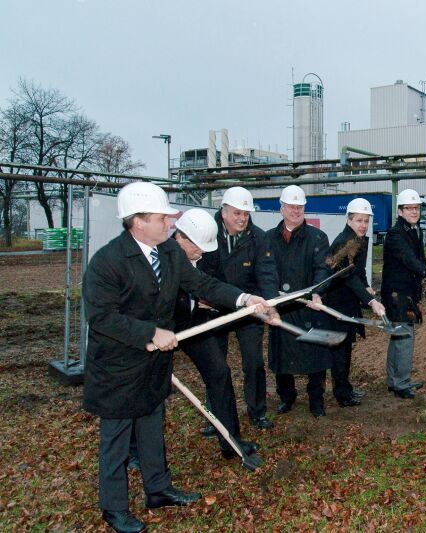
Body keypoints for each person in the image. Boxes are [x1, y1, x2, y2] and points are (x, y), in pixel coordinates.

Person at [83, 182, 275, 533]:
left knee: (152, 427)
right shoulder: (108, 262)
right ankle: (114, 510)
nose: (170, 225)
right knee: (117, 440)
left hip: (155, 364)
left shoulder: (169, 254)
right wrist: (150, 333)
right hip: (119, 367)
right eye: (162, 219)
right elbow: (101, 317)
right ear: (138, 222)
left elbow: (203, 285)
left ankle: (158, 489)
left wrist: (245, 298)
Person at [172, 209, 261, 459]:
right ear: (180, 237)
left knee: (219, 373)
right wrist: (189, 301)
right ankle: (135, 451)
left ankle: (231, 442)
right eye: (198, 247)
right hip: (163, 329)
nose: (202, 252)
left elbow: (209, 284)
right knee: (152, 388)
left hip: (194, 325)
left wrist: (243, 299)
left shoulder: (201, 253)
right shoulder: (165, 255)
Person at [200, 186, 279, 431]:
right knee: (215, 364)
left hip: (249, 308)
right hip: (215, 306)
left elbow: (266, 273)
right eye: (236, 213)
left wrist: (271, 304)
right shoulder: (208, 233)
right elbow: (201, 272)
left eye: (245, 213)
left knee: (253, 362)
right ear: (223, 211)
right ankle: (216, 416)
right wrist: (203, 298)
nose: (242, 218)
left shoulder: (258, 237)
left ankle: (257, 411)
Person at [265, 185, 333, 417]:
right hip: (281, 309)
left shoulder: (317, 237)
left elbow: (322, 268)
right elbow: (265, 272)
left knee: (315, 357)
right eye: (292, 206)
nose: (296, 211)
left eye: (300, 207)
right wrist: (270, 298)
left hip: (309, 308)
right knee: (283, 357)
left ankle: (317, 400)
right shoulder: (268, 239)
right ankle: (287, 396)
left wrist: (317, 292)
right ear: (282, 208)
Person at [325, 198, 386, 407]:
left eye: (366, 221)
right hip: (338, 303)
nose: (363, 225)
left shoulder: (359, 240)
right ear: (349, 220)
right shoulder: (344, 242)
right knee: (340, 349)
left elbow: (358, 272)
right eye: (359, 220)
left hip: (348, 302)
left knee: (347, 347)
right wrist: (371, 301)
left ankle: (345, 388)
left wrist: (367, 286)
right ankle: (342, 394)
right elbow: (348, 276)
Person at [381, 188, 426, 399]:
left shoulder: (417, 230)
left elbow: (420, 258)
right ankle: (401, 383)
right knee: (404, 336)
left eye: (416, 208)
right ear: (400, 211)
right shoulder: (395, 234)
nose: (414, 211)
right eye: (409, 208)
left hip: (408, 292)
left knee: (399, 336)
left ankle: (394, 380)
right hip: (397, 294)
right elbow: (408, 258)